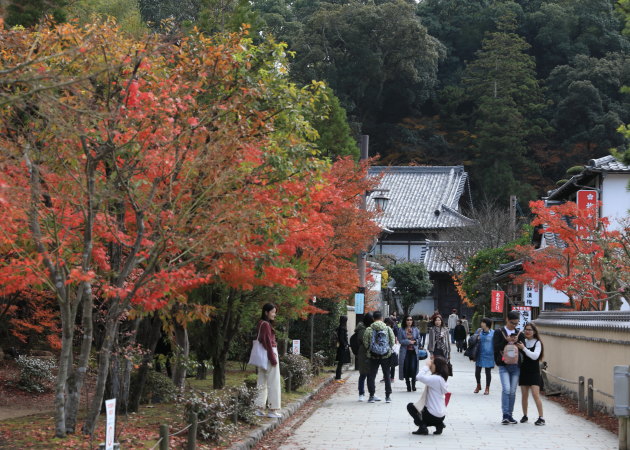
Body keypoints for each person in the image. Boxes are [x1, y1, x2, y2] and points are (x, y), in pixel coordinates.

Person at [493, 310, 526, 425]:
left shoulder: (519, 333)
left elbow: (523, 348)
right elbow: (495, 347)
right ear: (507, 319)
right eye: (512, 323)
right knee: (506, 389)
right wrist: (505, 341)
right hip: (504, 365)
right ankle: (505, 415)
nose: (514, 325)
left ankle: (510, 415)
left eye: (516, 323)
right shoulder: (499, 332)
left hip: (516, 366)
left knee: (512, 391)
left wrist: (517, 342)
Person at [406, 356, 450, 436]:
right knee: (423, 408)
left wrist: (426, 366)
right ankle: (439, 425)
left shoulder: (435, 379)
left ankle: (422, 427)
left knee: (410, 407)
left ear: (436, 366)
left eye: (432, 364)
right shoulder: (443, 379)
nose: (430, 365)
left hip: (431, 416)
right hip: (441, 416)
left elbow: (419, 377)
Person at [254, 303, 282, 418]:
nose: (274, 314)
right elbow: (267, 343)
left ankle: (259, 408)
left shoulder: (261, 323)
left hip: (262, 356)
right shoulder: (266, 324)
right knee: (273, 382)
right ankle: (272, 409)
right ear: (266, 312)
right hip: (270, 355)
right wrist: (273, 359)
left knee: (262, 382)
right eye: (273, 312)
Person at [363, 311, 396, 403]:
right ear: (382, 318)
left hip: (373, 356)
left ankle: (371, 396)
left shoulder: (369, 329)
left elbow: (365, 343)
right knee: (387, 375)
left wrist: (370, 349)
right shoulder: (388, 328)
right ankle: (387, 396)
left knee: (371, 376)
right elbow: (392, 342)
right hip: (386, 355)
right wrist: (387, 348)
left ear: (373, 319)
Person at [517, 322, 545, 426]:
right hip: (524, 370)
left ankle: (541, 417)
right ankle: (525, 415)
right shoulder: (522, 341)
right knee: (524, 395)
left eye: (530, 330)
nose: (527, 331)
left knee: (535, 394)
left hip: (534, 371)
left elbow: (535, 356)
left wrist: (524, 348)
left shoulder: (537, 342)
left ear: (534, 332)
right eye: (526, 329)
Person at [398, 315, 421, 391]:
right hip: (405, 352)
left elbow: (419, 338)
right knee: (406, 368)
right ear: (405, 321)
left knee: (413, 368)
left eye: (411, 320)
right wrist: (408, 342)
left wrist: (415, 341)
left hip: (414, 352)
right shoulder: (401, 329)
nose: (409, 321)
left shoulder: (415, 329)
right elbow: (400, 340)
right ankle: (408, 385)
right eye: (407, 320)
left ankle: (413, 384)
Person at [355, 313, 374, 401]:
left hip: (368, 353)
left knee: (370, 375)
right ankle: (361, 393)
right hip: (363, 353)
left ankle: (371, 394)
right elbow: (364, 341)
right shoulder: (362, 330)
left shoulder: (367, 328)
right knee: (363, 374)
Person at [473, 317, 495, 395]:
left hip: (489, 355)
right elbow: (473, 341)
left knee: (488, 372)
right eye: (481, 322)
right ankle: (478, 385)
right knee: (477, 371)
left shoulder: (493, 333)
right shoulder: (479, 331)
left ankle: (487, 388)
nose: (481, 324)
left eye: (483, 322)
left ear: (487, 324)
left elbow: (496, 344)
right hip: (479, 354)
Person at [335, 315, 351, 382]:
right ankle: (338, 377)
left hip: (341, 347)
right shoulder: (342, 329)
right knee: (340, 362)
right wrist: (345, 345)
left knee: (341, 362)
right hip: (342, 348)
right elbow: (341, 338)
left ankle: (338, 377)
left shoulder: (340, 328)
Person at [384, 317, 398, 383]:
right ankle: (389, 377)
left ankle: (390, 377)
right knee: (390, 363)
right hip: (391, 347)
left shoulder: (392, 328)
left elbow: (395, 338)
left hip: (390, 347)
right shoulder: (393, 327)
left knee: (389, 363)